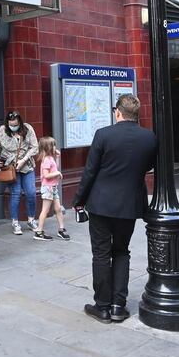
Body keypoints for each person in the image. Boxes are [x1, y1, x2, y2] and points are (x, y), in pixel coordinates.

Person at [73, 94, 156, 324]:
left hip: (100, 204)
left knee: (100, 254)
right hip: (129, 205)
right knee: (121, 251)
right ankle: (119, 305)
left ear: (117, 112)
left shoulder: (103, 135)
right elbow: (149, 165)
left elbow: (90, 171)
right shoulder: (148, 137)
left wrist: (78, 199)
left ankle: (102, 306)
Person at [0, 111, 39, 235]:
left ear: (20, 123)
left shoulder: (28, 129)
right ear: (7, 123)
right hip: (10, 167)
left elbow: (34, 147)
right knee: (15, 194)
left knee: (31, 193)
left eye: (15, 124)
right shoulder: (2, 131)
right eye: (11, 124)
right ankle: (15, 222)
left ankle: (31, 219)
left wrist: (23, 160)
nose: (13, 126)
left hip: (26, 165)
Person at [33, 136, 70, 242]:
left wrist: (57, 158)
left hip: (53, 188)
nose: (55, 147)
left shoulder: (50, 159)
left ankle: (61, 229)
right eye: (53, 145)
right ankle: (39, 232)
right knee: (45, 210)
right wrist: (57, 173)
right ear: (47, 148)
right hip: (48, 188)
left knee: (58, 208)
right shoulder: (46, 160)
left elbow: (55, 168)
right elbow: (46, 175)